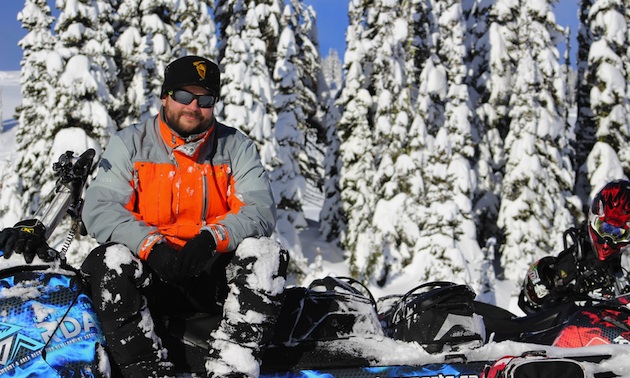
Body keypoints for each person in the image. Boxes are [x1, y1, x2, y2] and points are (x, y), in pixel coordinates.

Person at [79, 56, 289, 377]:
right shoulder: (129, 143)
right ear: (165, 96)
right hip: (152, 270)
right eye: (182, 96)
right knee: (109, 261)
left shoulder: (236, 146)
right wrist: (151, 246)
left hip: (210, 270)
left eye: (205, 100)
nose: (193, 106)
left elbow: (259, 209)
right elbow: (101, 208)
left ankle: (232, 369)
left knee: (265, 255)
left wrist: (213, 238)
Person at [519, 179, 630, 314]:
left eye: (619, 234)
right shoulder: (571, 262)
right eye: (606, 228)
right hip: (564, 329)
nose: (609, 240)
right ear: (594, 219)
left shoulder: (620, 264)